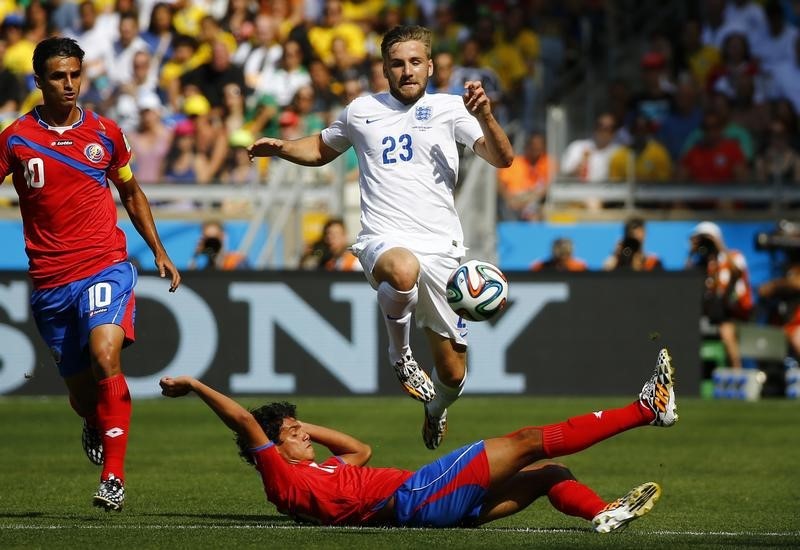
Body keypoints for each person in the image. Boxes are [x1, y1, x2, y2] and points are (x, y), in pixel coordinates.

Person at [247, 25, 514, 451]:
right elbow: (320, 148)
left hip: (443, 250)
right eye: (397, 63)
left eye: (414, 62)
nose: (407, 71)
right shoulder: (361, 111)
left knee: (453, 375)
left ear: (429, 65)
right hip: (383, 240)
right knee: (403, 267)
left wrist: (484, 114)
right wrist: (281, 147)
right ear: (385, 70)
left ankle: (436, 409)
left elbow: (503, 159)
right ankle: (400, 356)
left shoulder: (451, 109)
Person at [159, 348, 677, 531]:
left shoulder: (320, 470)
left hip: (437, 505)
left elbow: (358, 450)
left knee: (548, 476)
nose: (302, 434)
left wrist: (294, 422)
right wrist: (198, 387)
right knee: (524, 441)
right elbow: (249, 428)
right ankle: (645, 408)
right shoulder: (283, 480)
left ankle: (602, 514)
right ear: (270, 452)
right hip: (417, 496)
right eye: (291, 434)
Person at [0, 37, 181, 511]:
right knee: (85, 397)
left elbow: (132, 191)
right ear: (38, 81)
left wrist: (158, 250)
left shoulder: (105, 133)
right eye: (58, 76)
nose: (69, 84)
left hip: (105, 264)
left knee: (106, 353)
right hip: (49, 280)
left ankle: (114, 478)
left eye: (75, 75)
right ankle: (94, 421)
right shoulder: (15, 138)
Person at [686, 221, 753, 370]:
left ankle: (737, 371)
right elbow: (685, 283)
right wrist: (692, 252)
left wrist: (719, 246)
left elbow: (737, 271)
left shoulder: (733, 256)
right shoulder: (701, 264)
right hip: (710, 313)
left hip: (734, 313)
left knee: (726, 328)